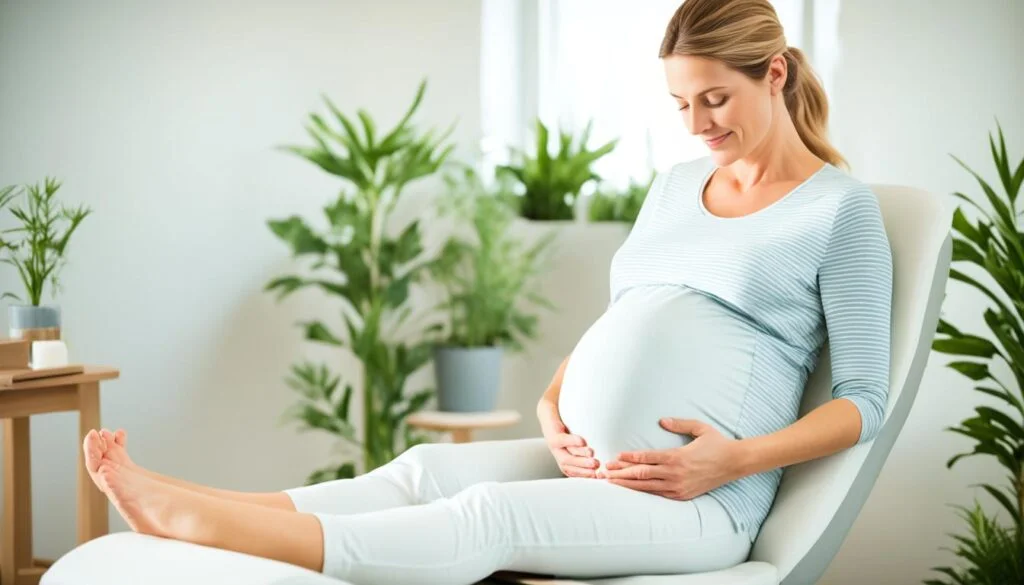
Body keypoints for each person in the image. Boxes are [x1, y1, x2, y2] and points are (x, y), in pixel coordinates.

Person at [82, 0, 893, 583]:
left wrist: (732, 459)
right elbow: (627, 317)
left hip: (701, 501)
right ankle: (204, 501)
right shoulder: (679, 184)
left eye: (715, 99)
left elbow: (864, 400)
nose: (696, 124)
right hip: (592, 462)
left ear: (774, 73)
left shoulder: (839, 210)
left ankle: (210, 528)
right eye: (680, 103)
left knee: (489, 518)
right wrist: (552, 403)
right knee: (426, 470)